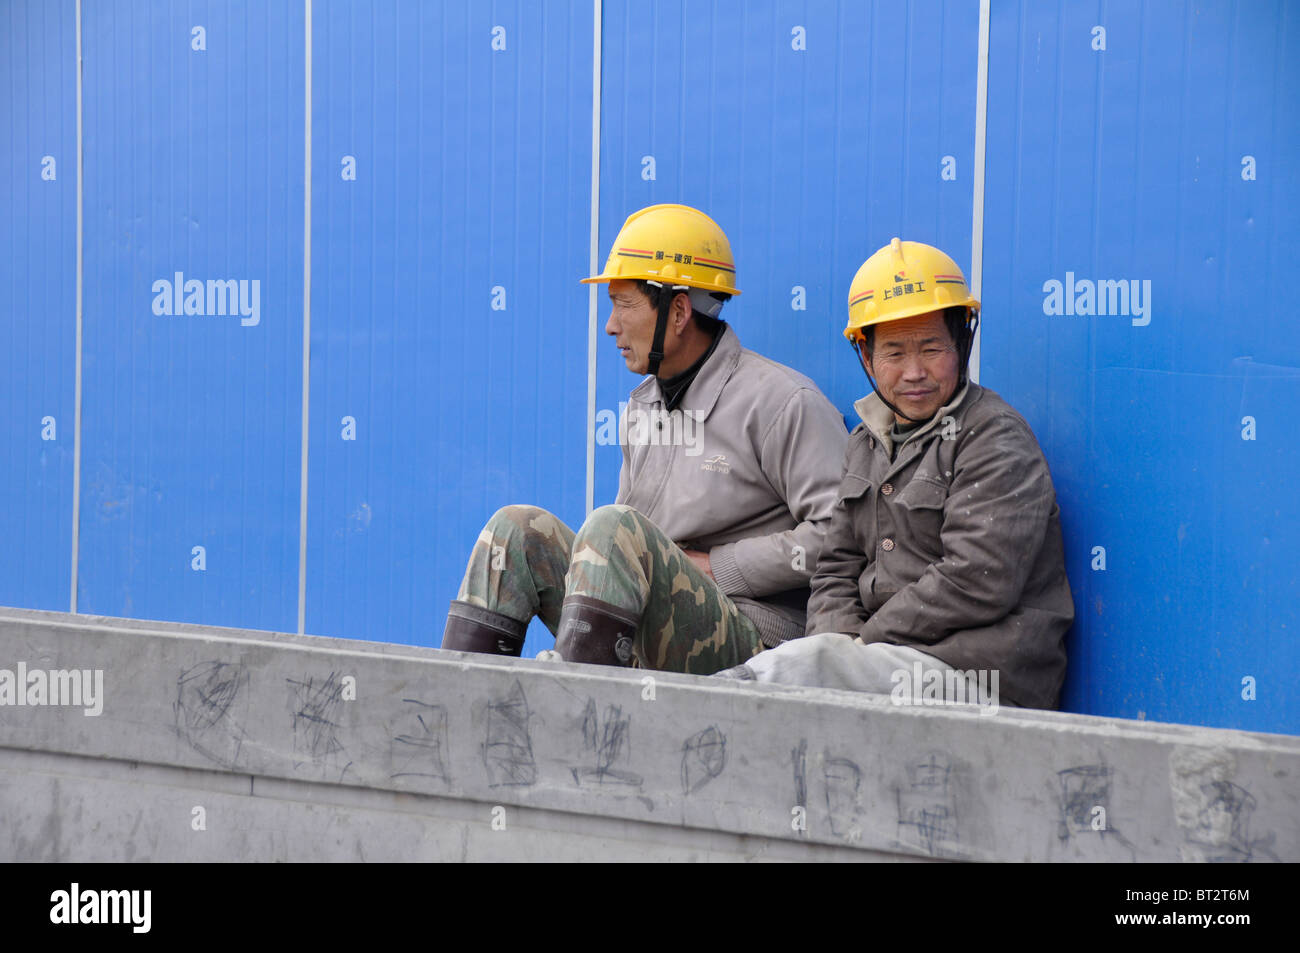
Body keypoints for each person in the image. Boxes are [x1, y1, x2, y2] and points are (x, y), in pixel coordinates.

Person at [440, 204, 848, 674]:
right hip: (651, 621)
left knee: (615, 526)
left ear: (677, 311)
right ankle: (461, 708)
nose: (610, 325)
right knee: (516, 532)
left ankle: (580, 712)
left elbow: (841, 539)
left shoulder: (781, 402)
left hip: (754, 636)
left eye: (623, 304)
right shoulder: (643, 406)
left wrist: (719, 567)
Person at [717, 238, 1073, 710]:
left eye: (931, 348)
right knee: (807, 662)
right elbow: (835, 567)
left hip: (978, 677)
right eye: (894, 353)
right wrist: (836, 638)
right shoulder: (865, 442)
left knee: (801, 669)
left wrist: (858, 644)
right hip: (885, 663)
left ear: (962, 342)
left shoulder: (994, 437)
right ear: (866, 357)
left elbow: (976, 580)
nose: (914, 372)